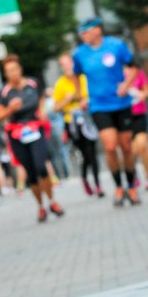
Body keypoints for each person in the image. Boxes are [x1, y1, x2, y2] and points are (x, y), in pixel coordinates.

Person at [72, 17, 140, 206]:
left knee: (126, 146)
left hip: (121, 103)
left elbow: (134, 67)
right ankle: (118, 187)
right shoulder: (79, 54)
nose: (83, 36)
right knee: (110, 146)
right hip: (99, 106)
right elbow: (75, 75)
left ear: (97, 30)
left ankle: (131, 185)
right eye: (81, 33)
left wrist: (126, 85)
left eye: (86, 32)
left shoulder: (116, 45)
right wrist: (81, 96)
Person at [0, 54, 64, 223]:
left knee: (41, 166)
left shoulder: (33, 83)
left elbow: (41, 100)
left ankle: (52, 201)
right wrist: (10, 109)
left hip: (36, 129)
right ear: (5, 74)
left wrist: (42, 111)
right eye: (9, 71)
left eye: (15, 69)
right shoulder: (4, 93)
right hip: (17, 134)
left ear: (20, 69)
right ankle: (41, 206)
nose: (13, 73)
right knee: (31, 172)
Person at [53, 53, 103, 197]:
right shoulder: (60, 84)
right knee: (85, 154)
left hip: (88, 119)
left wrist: (86, 101)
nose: (67, 66)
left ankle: (98, 184)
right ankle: (85, 178)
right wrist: (67, 100)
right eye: (63, 64)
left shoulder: (83, 78)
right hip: (72, 123)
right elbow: (56, 107)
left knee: (92, 152)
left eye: (69, 63)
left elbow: (95, 94)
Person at [123, 60, 148, 191]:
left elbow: (147, 91)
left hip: (139, 113)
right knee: (131, 149)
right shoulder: (116, 74)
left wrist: (142, 94)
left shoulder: (138, 73)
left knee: (143, 145)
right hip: (125, 116)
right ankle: (133, 173)